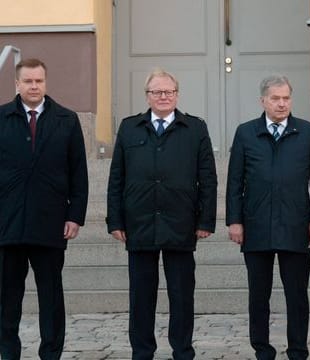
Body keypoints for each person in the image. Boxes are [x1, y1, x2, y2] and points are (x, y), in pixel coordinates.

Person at [106, 68, 217, 360]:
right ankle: (142, 352)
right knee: (141, 297)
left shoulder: (195, 128)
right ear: (148, 96)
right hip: (139, 223)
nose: (163, 96)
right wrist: (115, 220)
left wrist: (206, 220)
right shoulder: (130, 128)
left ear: (177, 95)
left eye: (168, 91)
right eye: (157, 91)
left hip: (181, 222)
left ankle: (182, 351)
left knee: (182, 296)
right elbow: (116, 176)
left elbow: (208, 178)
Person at [226, 74, 310, 360]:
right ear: (263, 101)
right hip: (256, 226)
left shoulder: (307, 132)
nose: (282, 104)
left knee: (297, 295)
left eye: (286, 98)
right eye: (275, 98)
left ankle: (298, 349)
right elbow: (235, 181)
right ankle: (262, 348)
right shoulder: (246, 133)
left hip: (296, 225)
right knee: (259, 295)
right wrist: (235, 220)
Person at [0, 58, 89, 359]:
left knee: (51, 296)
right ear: (17, 84)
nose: (34, 86)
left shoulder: (66, 119)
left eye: (39, 81)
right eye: (28, 81)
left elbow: (78, 172)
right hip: (7, 225)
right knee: (6, 297)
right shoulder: (1, 118)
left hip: (51, 224)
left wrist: (75, 215)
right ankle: (8, 352)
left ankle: (51, 352)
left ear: (45, 83)